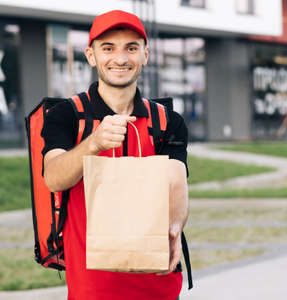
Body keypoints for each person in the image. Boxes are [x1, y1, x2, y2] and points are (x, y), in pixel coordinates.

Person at [41, 10, 189, 300]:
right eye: (108, 48)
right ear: (91, 55)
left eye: (131, 48)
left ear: (145, 55)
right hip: (93, 285)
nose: (120, 59)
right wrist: (93, 144)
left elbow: (176, 183)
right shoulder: (66, 115)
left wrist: (175, 228)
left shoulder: (167, 121)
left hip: (156, 280)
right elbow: (53, 178)